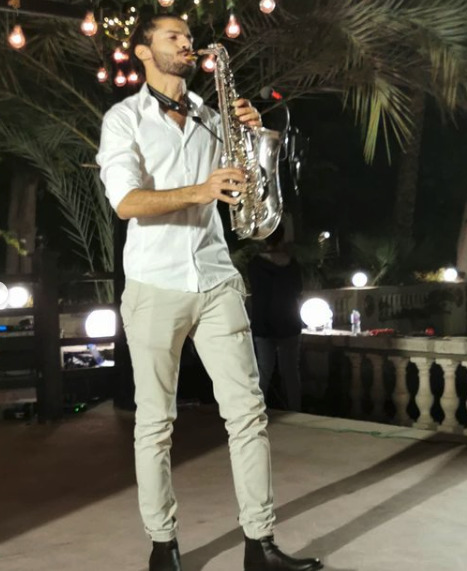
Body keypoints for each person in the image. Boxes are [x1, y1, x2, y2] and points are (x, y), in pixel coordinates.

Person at [96, 10, 322, 571]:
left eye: (188, 36)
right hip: (154, 284)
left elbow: (248, 187)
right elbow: (126, 202)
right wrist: (200, 189)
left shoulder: (211, 116)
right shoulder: (123, 119)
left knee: (248, 413)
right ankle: (163, 547)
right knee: (155, 424)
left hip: (217, 278)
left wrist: (250, 135)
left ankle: (260, 545)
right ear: (143, 51)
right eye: (172, 36)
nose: (186, 43)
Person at [248, 223, 304, 411]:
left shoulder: (255, 264)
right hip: (288, 321)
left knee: (264, 371)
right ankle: (295, 410)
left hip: (264, 323)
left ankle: (256, 411)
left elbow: (255, 291)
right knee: (291, 372)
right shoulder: (292, 264)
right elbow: (298, 290)